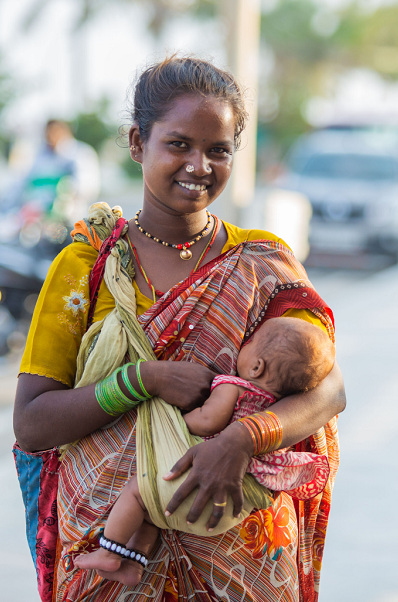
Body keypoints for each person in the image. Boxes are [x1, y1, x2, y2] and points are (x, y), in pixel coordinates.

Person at [14, 56, 345, 602]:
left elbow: (329, 389)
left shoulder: (262, 263)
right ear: (137, 142)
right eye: (179, 144)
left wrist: (241, 439)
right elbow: (32, 423)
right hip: (106, 555)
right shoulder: (89, 264)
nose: (199, 165)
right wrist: (142, 379)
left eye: (219, 150)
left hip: (244, 555)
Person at [74, 316, 335, 586]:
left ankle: (109, 550)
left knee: (138, 494)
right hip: (229, 508)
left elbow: (208, 421)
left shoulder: (233, 387)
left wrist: (175, 425)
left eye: (251, 342)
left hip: (198, 483)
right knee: (153, 513)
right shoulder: (276, 410)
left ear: (256, 367)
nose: (244, 344)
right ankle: (135, 561)